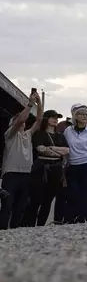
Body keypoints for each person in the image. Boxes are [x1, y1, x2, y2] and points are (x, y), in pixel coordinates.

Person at [0, 91, 43, 229]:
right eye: (19, 120)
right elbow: (20, 120)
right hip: (11, 173)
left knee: (20, 206)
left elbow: (39, 120)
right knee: (7, 204)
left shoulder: (28, 134)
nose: (23, 122)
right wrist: (30, 104)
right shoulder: (10, 134)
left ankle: (15, 232)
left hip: (26, 174)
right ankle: (3, 231)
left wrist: (39, 102)